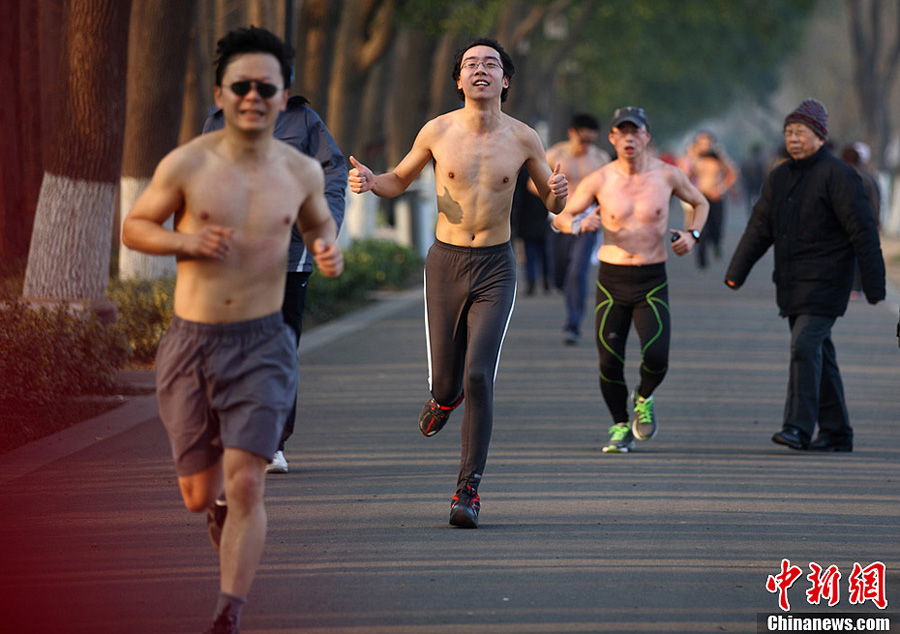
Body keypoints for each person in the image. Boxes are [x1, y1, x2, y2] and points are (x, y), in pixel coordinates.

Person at [121, 26, 344, 634]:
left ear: (283, 94)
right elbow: (136, 227)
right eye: (239, 86)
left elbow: (322, 226)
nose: (252, 96)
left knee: (249, 480)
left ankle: (228, 613)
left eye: (264, 87)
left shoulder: (297, 170)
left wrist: (328, 253)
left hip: (263, 342)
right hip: (193, 342)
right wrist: (184, 239)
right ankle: (215, 506)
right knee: (201, 494)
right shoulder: (188, 163)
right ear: (220, 93)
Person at [348, 37, 567, 528]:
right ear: (459, 80)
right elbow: (397, 181)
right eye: (471, 64)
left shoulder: (524, 137)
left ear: (505, 80)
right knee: (448, 382)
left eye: (491, 64)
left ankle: (468, 490)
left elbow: (551, 203)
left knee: (478, 376)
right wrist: (369, 179)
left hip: (495, 266)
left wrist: (558, 194)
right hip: (445, 264)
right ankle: (442, 400)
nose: (481, 70)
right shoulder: (437, 131)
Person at [725, 98, 885, 453]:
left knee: (804, 346)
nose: (794, 138)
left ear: (820, 137)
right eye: (789, 132)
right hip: (791, 283)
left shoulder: (840, 176)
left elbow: (863, 232)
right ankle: (837, 432)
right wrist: (737, 271)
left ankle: (797, 427)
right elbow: (759, 228)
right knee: (817, 353)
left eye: (801, 132)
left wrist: (874, 285)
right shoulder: (779, 177)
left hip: (828, 283)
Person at [203, 91, 348, 475]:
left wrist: (324, 226)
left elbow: (331, 173)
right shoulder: (219, 120)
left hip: (289, 257)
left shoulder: (302, 119)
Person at [552, 106, 709, 453]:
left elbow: (701, 203)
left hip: (652, 278)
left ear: (646, 137)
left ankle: (645, 397)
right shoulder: (600, 179)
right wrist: (578, 224)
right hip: (612, 279)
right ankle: (620, 425)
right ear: (612, 138)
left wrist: (693, 235)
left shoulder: (667, 175)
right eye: (621, 133)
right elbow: (560, 218)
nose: (628, 138)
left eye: (635, 132)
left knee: (657, 357)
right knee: (610, 360)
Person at [544, 113, 611, 344]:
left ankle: (573, 324)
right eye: (583, 140)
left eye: (591, 141)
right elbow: (532, 183)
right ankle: (567, 291)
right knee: (559, 275)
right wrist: (552, 191)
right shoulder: (554, 155)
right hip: (558, 219)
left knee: (578, 271)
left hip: (587, 222)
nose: (586, 146)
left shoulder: (600, 159)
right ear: (572, 133)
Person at [680, 131, 738, 270]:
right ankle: (701, 261)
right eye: (702, 143)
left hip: (716, 196)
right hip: (700, 198)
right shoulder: (693, 158)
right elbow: (684, 177)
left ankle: (717, 244)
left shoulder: (719, 158)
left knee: (717, 227)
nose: (705, 145)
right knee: (701, 230)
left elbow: (733, 174)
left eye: (708, 142)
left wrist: (721, 188)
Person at [510, 167, 552, 296]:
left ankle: (532, 281)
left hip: (527, 216)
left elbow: (517, 195)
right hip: (538, 216)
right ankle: (544, 280)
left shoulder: (520, 170)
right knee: (542, 253)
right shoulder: (543, 168)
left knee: (532, 253)